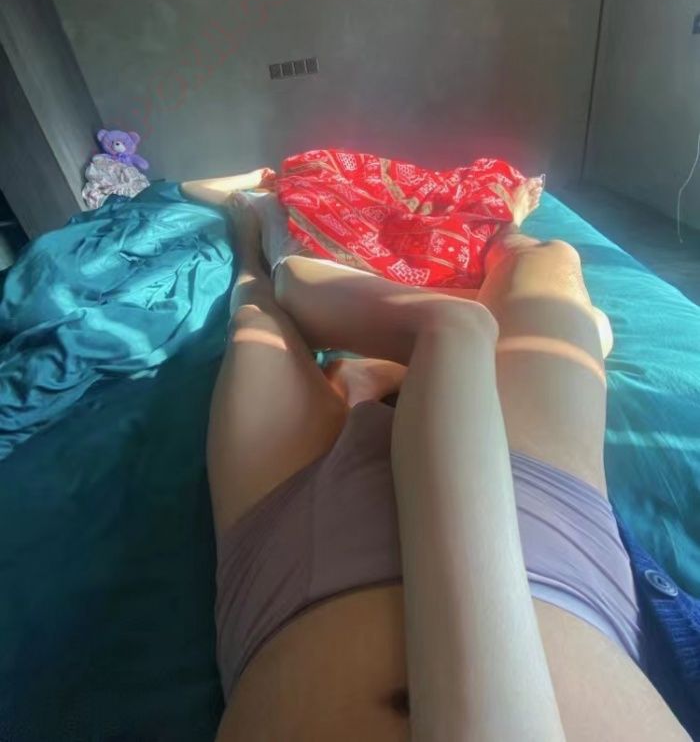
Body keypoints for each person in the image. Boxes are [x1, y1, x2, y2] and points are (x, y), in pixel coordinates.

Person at [183, 171, 689, 741]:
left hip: (292, 555)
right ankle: (498, 232)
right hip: (542, 522)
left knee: (255, 317)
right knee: (550, 260)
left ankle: (288, 267)